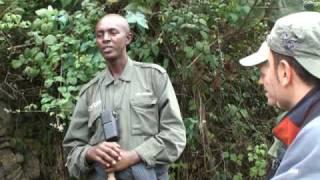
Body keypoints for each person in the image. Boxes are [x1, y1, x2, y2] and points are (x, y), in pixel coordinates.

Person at [62, 14, 186, 179]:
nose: (105, 38)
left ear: (128, 38)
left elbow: (175, 134)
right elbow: (72, 151)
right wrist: (90, 153)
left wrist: (134, 156)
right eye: (100, 35)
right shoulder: (89, 92)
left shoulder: (153, 77)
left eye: (113, 32)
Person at [239, 11, 320, 179]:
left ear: (284, 72)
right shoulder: (306, 121)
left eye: (263, 72)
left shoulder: (314, 137)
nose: (261, 82)